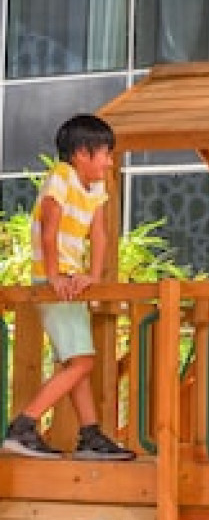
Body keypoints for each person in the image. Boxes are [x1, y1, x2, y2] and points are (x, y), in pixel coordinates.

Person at [2, 114, 135, 461]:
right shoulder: (61, 177)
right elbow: (49, 231)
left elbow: (100, 234)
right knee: (82, 362)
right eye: (105, 154)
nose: (109, 161)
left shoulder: (97, 189)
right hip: (53, 281)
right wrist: (54, 276)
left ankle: (90, 434)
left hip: (70, 281)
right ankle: (23, 426)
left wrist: (92, 275)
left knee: (77, 362)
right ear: (81, 154)